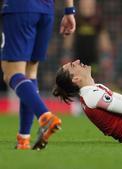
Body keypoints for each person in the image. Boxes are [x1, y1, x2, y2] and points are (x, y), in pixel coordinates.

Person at [0, 0, 76, 150]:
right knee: (30, 73)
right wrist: (69, 11)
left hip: (19, 8)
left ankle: (45, 116)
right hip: (46, 10)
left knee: (11, 73)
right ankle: (23, 139)